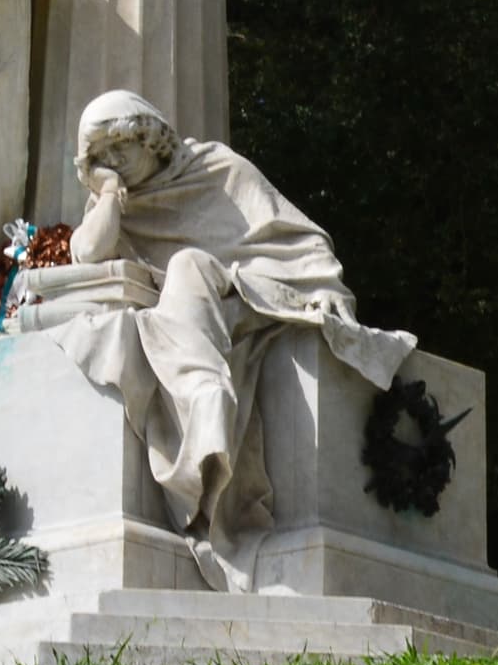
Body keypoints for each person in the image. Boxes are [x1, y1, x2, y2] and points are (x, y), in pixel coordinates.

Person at [58, 89, 413, 573]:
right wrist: (107, 196)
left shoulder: (217, 170)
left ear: (151, 138)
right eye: (101, 158)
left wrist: (324, 282)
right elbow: (88, 254)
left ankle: (207, 400)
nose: (114, 162)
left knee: (188, 266)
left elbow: (294, 235)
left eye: (121, 148)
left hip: (245, 291)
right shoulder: (118, 203)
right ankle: (203, 406)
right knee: (177, 286)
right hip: (183, 315)